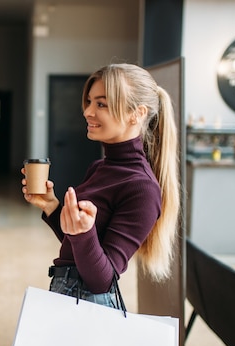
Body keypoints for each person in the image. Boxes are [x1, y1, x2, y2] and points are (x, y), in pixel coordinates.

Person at [22, 63, 180, 308]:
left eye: (101, 104)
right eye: (89, 101)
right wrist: (52, 206)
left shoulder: (142, 188)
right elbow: (75, 246)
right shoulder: (100, 167)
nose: (87, 111)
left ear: (137, 114)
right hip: (67, 292)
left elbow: (102, 280)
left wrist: (84, 232)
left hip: (90, 304)